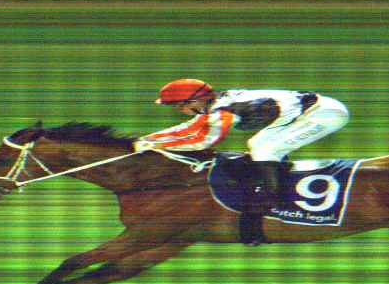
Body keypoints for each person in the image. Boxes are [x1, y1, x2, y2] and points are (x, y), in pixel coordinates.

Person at [137, 79, 349, 246]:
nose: (179, 110)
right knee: (258, 144)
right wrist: (147, 140)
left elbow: (204, 140)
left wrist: (157, 146)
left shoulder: (226, 110)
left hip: (325, 114)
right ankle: (275, 180)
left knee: (265, 148)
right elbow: (189, 128)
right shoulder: (217, 104)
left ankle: (271, 197)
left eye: (179, 106)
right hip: (306, 112)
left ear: (193, 102)